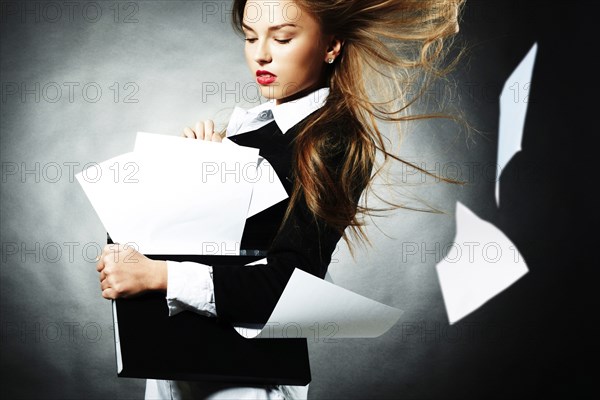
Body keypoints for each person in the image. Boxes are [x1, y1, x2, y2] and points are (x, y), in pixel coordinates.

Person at [95, 0, 464, 398]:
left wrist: (160, 275)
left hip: (245, 382)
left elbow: (290, 282)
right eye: (251, 37)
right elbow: (219, 249)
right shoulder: (244, 134)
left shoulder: (333, 141)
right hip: (174, 364)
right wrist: (195, 174)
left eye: (283, 37)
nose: (261, 54)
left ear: (331, 46)